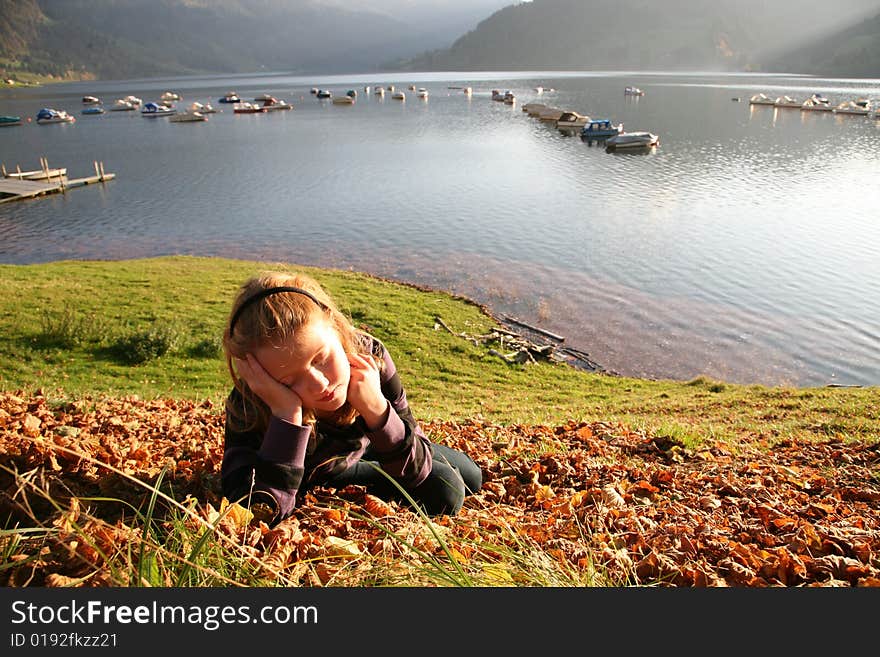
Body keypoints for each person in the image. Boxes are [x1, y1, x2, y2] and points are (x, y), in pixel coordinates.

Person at [220, 270, 482, 526]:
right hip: (326, 468)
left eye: (321, 359)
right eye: (289, 381)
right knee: (447, 490)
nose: (319, 384)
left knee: (473, 476)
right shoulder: (249, 402)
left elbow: (413, 436)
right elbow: (253, 514)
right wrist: (287, 418)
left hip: (373, 445)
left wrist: (377, 410)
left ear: (336, 328)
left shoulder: (371, 357)